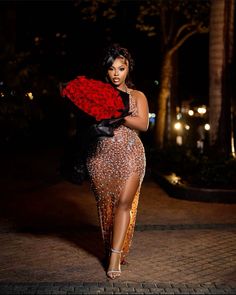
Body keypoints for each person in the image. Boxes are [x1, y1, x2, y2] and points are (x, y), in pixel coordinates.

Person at [86, 43, 149, 279]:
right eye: (112, 68)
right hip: (101, 155)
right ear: (106, 70)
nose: (116, 73)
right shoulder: (97, 96)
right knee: (107, 208)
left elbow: (143, 124)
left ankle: (114, 257)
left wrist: (120, 113)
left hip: (131, 154)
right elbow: (90, 126)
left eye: (121, 68)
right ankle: (111, 247)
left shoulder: (137, 95)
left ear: (128, 69)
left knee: (124, 203)